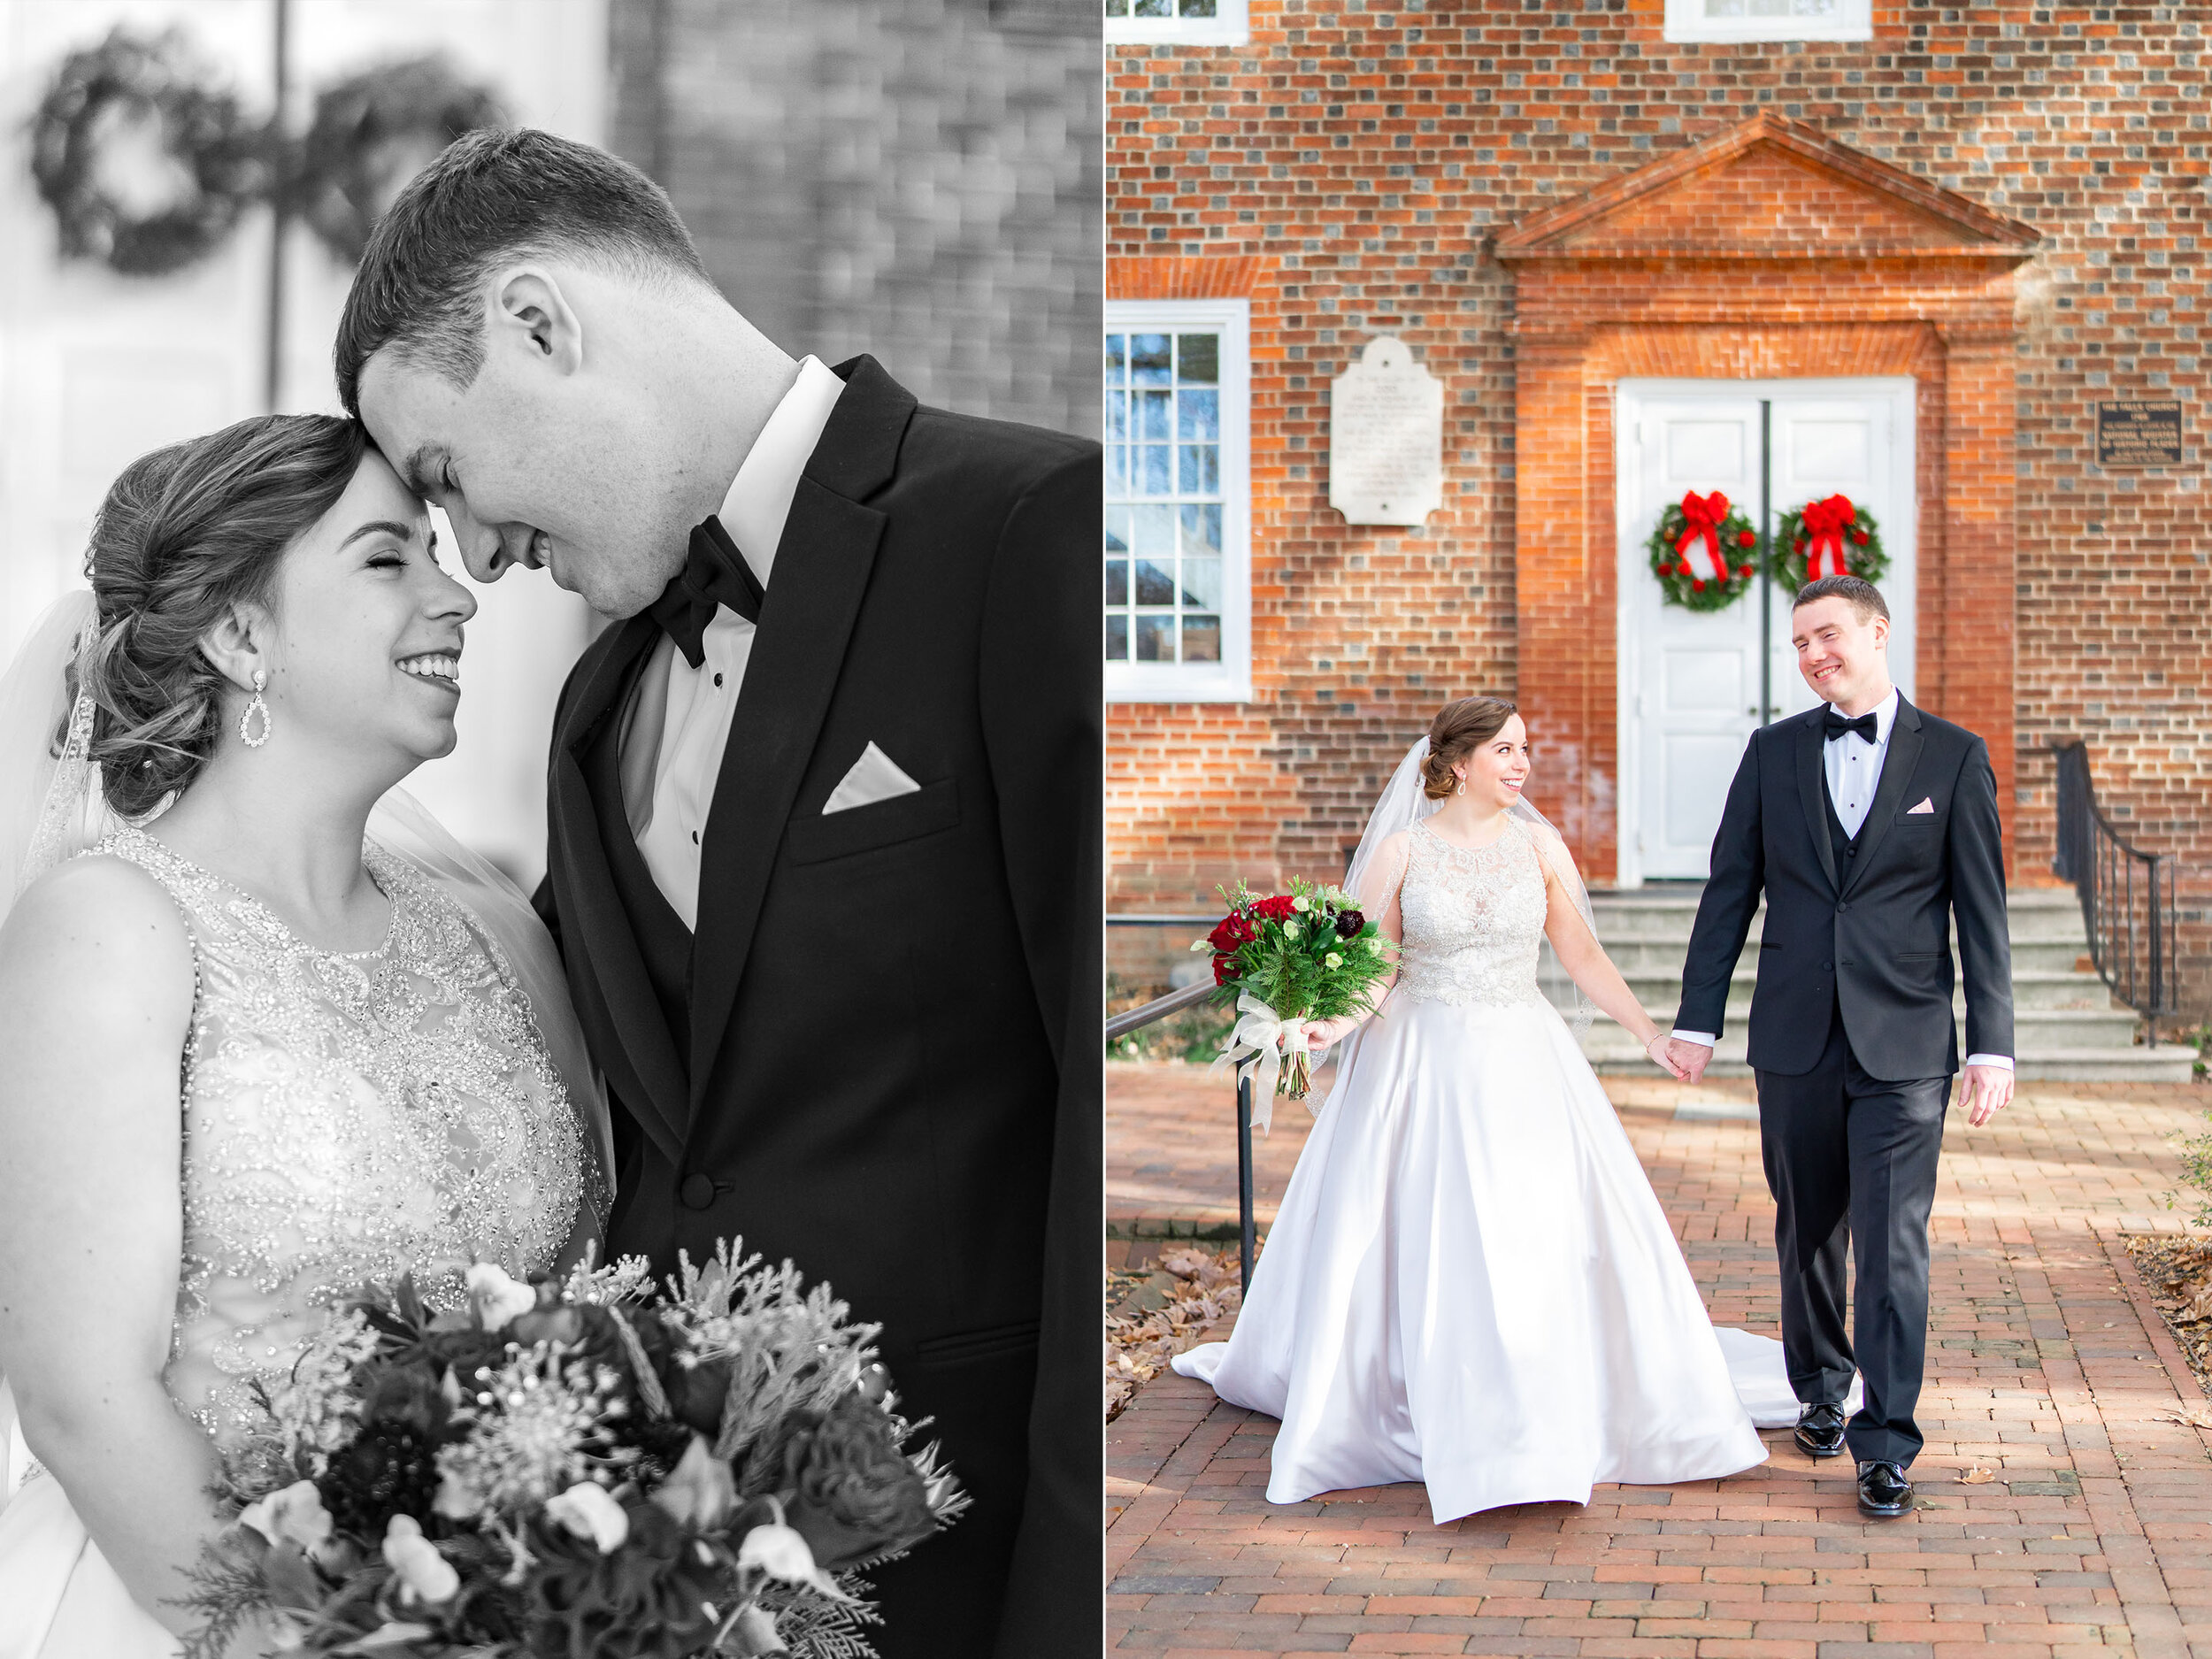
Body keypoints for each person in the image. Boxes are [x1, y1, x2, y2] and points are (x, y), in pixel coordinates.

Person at [333, 128, 1100, 1657]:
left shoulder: (1026, 534)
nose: (474, 554)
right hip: (675, 1593)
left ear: (541, 324)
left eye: (448, 474)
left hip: (982, 1563)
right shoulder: (590, 705)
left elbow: (1100, 1115)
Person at [0, 415, 610, 1655]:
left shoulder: (497, 939)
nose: (458, 597)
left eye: (440, 553)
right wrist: (325, 1638)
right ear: (240, 633)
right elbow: (80, 1395)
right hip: (188, 1603)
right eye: (388, 559)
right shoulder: (111, 929)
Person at [1172, 696, 1771, 1521]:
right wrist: (1328, 1026)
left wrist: (1648, 1035)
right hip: (1421, 1060)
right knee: (1423, 1224)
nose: (1522, 763)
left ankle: (1532, 1402)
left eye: (1525, 747)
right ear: (1457, 764)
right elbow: (1376, 968)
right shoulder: (1401, 851)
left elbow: (1581, 954)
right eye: (1505, 749)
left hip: (1522, 1054)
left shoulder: (1540, 846)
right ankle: (1415, 1391)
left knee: (1532, 1225)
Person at [1663, 574, 2013, 1519]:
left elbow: (1982, 916)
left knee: (1893, 1245)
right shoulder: (1772, 753)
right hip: (1794, 1036)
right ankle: (1818, 1386)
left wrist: (1993, 1045)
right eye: (1800, 644)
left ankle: (1886, 1442)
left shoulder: (1953, 758)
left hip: (1905, 1044)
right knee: (1807, 1224)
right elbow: (1727, 890)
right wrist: (1698, 1018)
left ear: (1877, 632)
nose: (1814, 655)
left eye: (1828, 636)